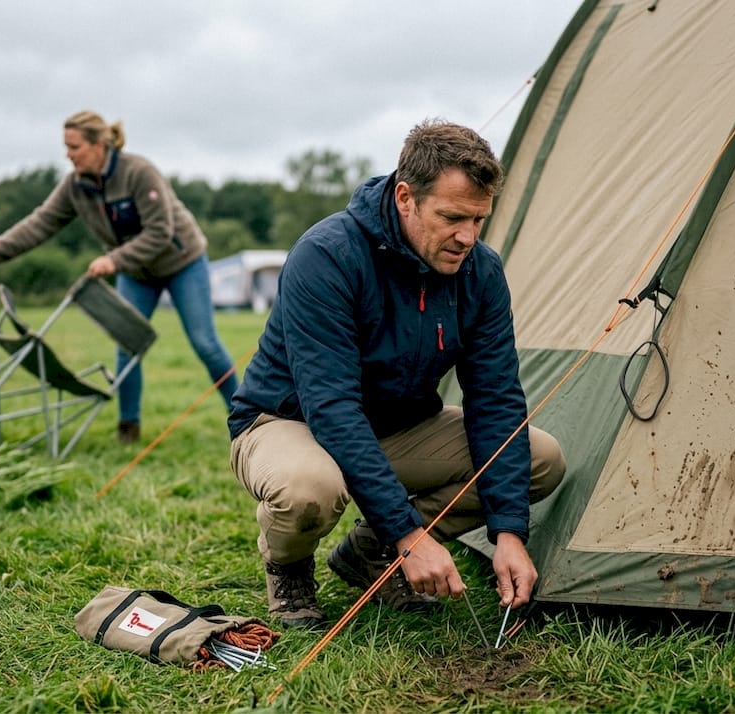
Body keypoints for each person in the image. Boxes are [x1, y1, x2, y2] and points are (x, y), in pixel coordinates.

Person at [228, 119, 566, 629]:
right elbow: (332, 407)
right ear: (406, 198)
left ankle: (370, 552)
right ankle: (289, 569)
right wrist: (410, 534)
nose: (468, 237)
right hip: (290, 422)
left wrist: (509, 533)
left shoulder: (481, 271)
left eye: (479, 219)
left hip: (398, 426)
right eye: (452, 217)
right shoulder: (327, 256)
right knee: (308, 489)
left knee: (541, 459)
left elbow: (495, 396)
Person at [0, 110, 239, 443]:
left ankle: (247, 419)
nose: (68, 155)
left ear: (99, 145)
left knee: (205, 343)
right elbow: (40, 223)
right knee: (126, 346)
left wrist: (113, 259)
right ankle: (128, 428)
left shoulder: (138, 172)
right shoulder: (75, 186)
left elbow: (160, 232)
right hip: (135, 272)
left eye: (74, 147)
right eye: (66, 147)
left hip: (182, 263)